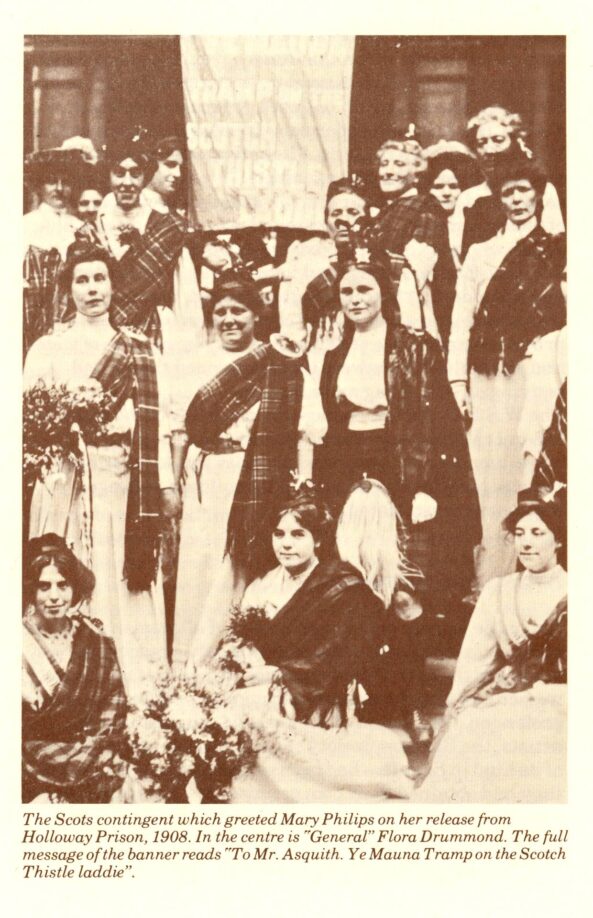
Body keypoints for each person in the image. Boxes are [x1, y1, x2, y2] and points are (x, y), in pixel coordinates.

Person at [315, 250, 481, 734]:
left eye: (364, 289)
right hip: (350, 468)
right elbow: (327, 429)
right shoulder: (332, 353)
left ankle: (411, 702)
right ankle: (368, 698)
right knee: (357, 587)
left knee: (405, 592)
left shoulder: (418, 346)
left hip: (404, 466)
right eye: (347, 291)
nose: (355, 299)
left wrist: (430, 486)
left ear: (383, 293)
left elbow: (445, 426)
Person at [24, 242, 176, 699]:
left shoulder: (141, 349)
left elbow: (158, 424)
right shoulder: (50, 348)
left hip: (124, 481)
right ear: (68, 290)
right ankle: (67, 684)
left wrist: (165, 484)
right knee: (71, 569)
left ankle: (134, 682)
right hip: (68, 480)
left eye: (100, 279)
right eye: (82, 281)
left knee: (125, 576)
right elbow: (29, 424)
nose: (92, 289)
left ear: (113, 285)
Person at [208, 491, 414, 803]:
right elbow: (238, 636)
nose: (286, 544)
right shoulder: (263, 583)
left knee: (239, 711)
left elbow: (340, 655)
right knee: (209, 701)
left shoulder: (343, 586)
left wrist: (278, 674)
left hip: (313, 692)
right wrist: (239, 653)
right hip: (260, 681)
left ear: (318, 540)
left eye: (298, 534)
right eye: (279, 534)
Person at [180, 272, 327, 668]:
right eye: (221, 311)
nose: (229, 319)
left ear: (256, 316)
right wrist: (171, 491)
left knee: (240, 569)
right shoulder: (197, 363)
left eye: (239, 311)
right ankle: (193, 664)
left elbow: (304, 434)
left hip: (256, 480)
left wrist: (304, 490)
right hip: (205, 479)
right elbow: (179, 430)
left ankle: (233, 659)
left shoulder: (281, 361)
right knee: (202, 568)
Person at [448, 154, 566, 587]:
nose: (516, 199)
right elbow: (461, 319)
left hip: (533, 373)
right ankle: (490, 583)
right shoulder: (481, 252)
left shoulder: (558, 248)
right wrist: (457, 381)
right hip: (484, 376)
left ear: (538, 195)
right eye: (508, 192)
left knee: (526, 470)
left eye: (523, 191)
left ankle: (530, 581)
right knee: (488, 479)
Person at [416, 488, 567, 803]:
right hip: (506, 699)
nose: (526, 542)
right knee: (477, 725)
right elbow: (475, 659)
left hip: (560, 700)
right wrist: (461, 703)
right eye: (519, 533)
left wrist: (538, 693)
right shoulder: (498, 592)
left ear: (559, 540)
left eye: (538, 533)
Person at [22, 534, 128, 803]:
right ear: (30, 590)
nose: (55, 596)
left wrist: (93, 752)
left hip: (93, 762)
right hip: (30, 767)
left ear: (75, 588)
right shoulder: (15, 642)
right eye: (44, 587)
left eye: (63, 585)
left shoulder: (94, 639)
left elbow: (113, 706)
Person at [88, 129, 205, 353]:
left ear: (145, 176)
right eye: (119, 173)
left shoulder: (168, 229)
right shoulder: (94, 228)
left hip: (150, 337)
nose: (127, 182)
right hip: (102, 337)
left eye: (135, 173)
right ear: (109, 176)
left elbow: (185, 298)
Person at [369, 127, 455, 344]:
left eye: (399, 164)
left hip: (408, 315)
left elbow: (414, 271)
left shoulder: (426, 207)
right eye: (384, 164)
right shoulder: (379, 215)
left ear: (416, 175)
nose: (388, 171)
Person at [449, 106, 565, 260]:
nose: (489, 150)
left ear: (515, 142)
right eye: (481, 143)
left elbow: (555, 245)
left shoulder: (542, 190)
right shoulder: (468, 198)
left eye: (498, 140)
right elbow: (457, 255)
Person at [421, 142, 481, 346]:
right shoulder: (424, 222)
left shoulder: (471, 223)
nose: (446, 193)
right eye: (438, 187)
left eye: (453, 187)